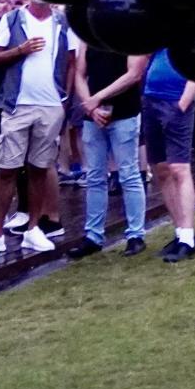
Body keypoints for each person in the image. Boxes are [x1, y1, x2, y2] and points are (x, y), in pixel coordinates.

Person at [0, 0, 72, 260]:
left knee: (40, 168)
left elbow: (72, 61)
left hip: (51, 104)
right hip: (17, 104)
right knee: (7, 168)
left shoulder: (62, 22)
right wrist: (22, 49)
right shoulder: (12, 19)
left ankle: (33, 228)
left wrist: (63, 100)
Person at [67, 41, 149, 258]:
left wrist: (97, 97)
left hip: (124, 113)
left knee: (128, 173)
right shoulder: (88, 37)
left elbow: (134, 73)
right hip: (94, 115)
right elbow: (79, 74)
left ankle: (135, 235)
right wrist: (91, 105)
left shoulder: (129, 33)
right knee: (95, 175)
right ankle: (93, 236)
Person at [141, 46, 195, 262]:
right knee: (161, 169)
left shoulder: (189, 29)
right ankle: (181, 234)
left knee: (179, 168)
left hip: (176, 101)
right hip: (151, 98)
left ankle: (187, 239)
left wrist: (183, 102)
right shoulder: (161, 24)